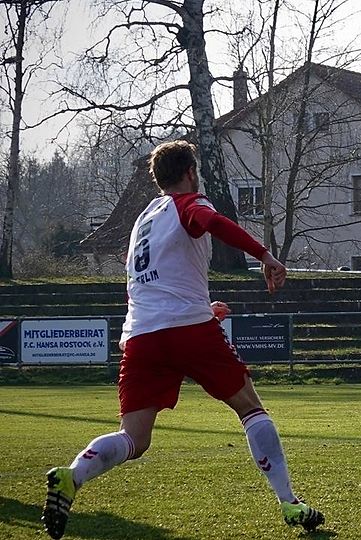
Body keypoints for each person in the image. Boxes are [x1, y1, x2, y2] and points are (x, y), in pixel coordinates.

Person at [41, 141, 324, 540]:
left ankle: (73, 475)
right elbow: (213, 222)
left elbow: (149, 283)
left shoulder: (143, 221)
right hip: (187, 329)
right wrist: (265, 255)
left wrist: (195, 309)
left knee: (133, 438)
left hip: (142, 335)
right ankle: (290, 502)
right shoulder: (189, 203)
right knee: (250, 408)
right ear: (191, 172)